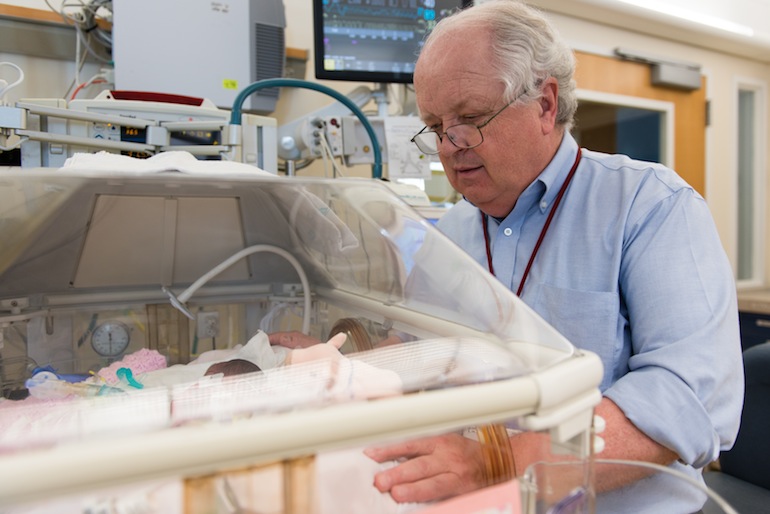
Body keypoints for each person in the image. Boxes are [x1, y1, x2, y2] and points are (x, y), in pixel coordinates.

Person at [361, 1, 744, 512]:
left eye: (470, 118)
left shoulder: (649, 207)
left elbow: (687, 396)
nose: (450, 145)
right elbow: (420, 349)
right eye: (435, 126)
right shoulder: (449, 233)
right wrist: (333, 360)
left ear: (544, 104)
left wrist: (500, 464)